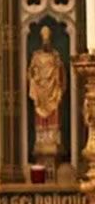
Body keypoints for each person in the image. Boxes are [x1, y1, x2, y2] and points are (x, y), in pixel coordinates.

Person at [28, 25, 65, 157]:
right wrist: (35, 79)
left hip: (52, 90)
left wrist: (58, 82)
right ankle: (41, 138)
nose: (46, 42)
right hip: (40, 89)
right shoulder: (36, 56)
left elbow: (61, 73)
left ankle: (52, 138)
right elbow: (31, 72)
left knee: (53, 110)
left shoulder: (55, 56)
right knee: (39, 111)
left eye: (47, 39)